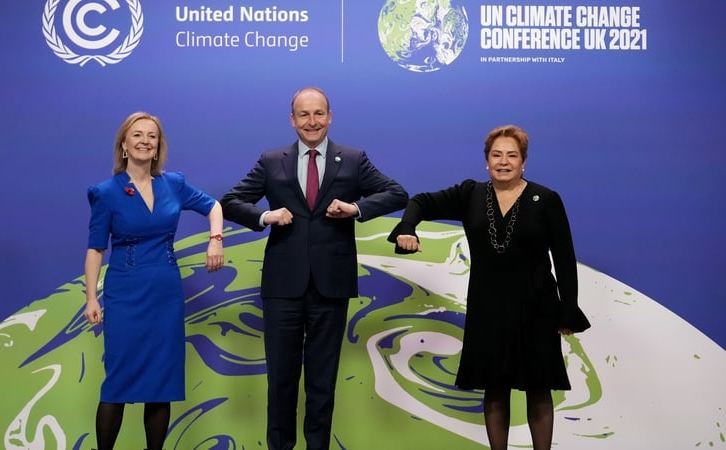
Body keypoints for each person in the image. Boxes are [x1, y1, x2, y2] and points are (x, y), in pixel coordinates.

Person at [220, 87, 408, 450]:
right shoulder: (272, 159)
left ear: (330, 116)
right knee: (281, 380)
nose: (312, 122)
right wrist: (265, 215)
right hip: (282, 286)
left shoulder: (352, 159)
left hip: (331, 286)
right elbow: (230, 201)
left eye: (318, 113)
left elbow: (397, 193)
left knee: (323, 381)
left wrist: (355, 209)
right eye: (304, 115)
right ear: (292, 120)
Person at [387, 125, 590, 450]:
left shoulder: (546, 199)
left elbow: (565, 259)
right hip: (488, 307)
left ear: (523, 161)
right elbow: (421, 201)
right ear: (486, 161)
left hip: (536, 307)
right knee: (495, 388)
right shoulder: (471, 194)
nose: (504, 161)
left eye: (512, 155)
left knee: (538, 389)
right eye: (497, 155)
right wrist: (407, 226)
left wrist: (568, 309)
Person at [83, 111, 225, 450]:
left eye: (152, 136)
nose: (145, 141)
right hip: (125, 293)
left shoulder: (173, 183)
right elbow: (95, 249)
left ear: (159, 145)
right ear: (123, 145)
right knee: (118, 381)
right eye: (137, 135)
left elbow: (214, 206)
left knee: (161, 382)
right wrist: (91, 297)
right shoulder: (105, 193)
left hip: (165, 292)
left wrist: (215, 239)